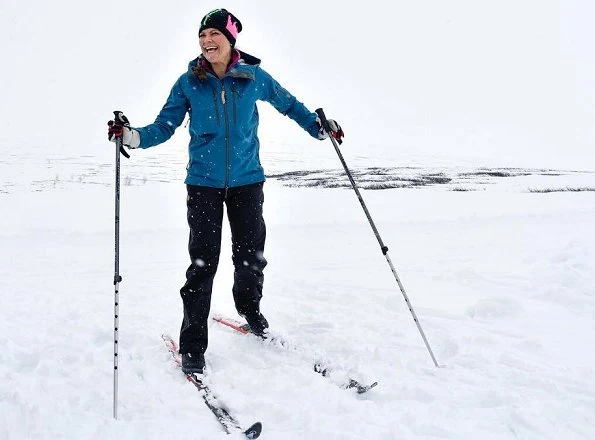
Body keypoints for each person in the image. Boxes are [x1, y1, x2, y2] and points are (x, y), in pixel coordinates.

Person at [107, 8, 344, 374]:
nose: (207, 41)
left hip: (248, 182)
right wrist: (134, 137)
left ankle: (250, 311)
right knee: (203, 265)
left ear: (231, 39)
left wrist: (318, 127)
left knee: (251, 258)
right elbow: (165, 125)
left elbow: (291, 106)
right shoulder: (189, 81)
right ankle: (192, 346)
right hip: (203, 185)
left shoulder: (254, 78)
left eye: (214, 35)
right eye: (202, 37)